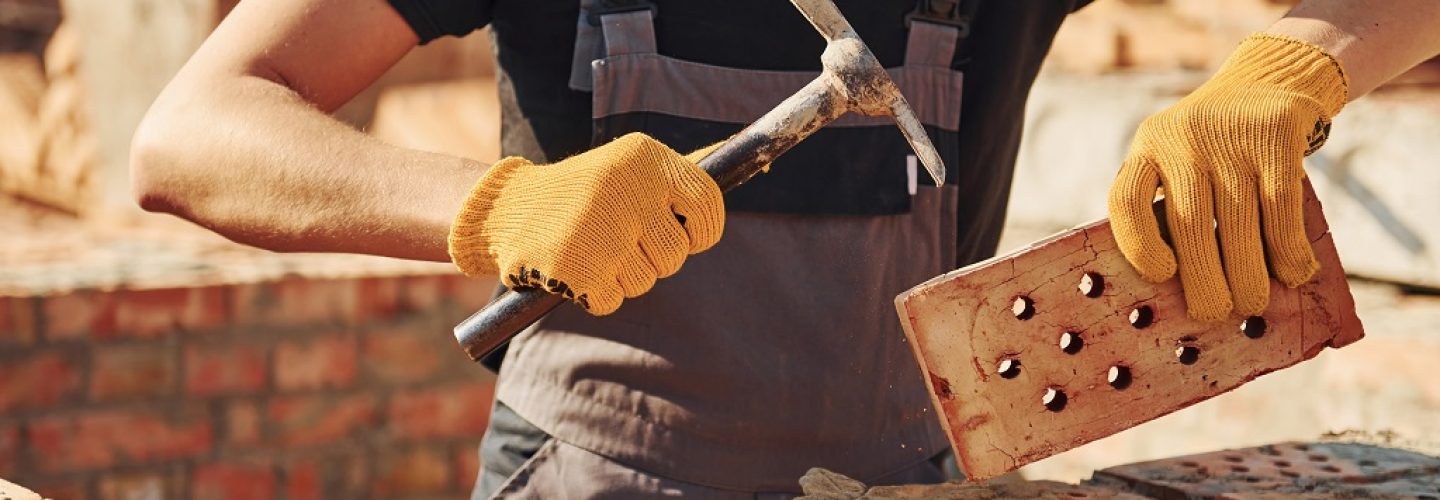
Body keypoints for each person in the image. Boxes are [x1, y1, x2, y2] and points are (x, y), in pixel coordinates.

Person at [130, 0, 1440, 497]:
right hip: (593, 481)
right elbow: (194, 132)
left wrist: (1288, 66)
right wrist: (490, 207)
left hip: (903, 487)